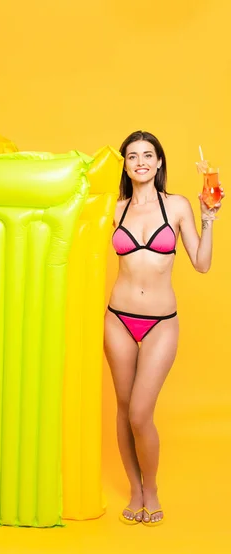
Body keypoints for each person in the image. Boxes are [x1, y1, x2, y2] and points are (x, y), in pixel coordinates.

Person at [104, 131, 223, 526]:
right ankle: (134, 489)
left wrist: (209, 221)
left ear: (158, 163)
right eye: (132, 155)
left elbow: (202, 264)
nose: (140, 161)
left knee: (140, 413)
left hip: (160, 323)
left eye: (148, 155)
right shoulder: (113, 208)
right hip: (118, 318)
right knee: (123, 410)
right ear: (124, 164)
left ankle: (150, 488)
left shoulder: (177, 206)